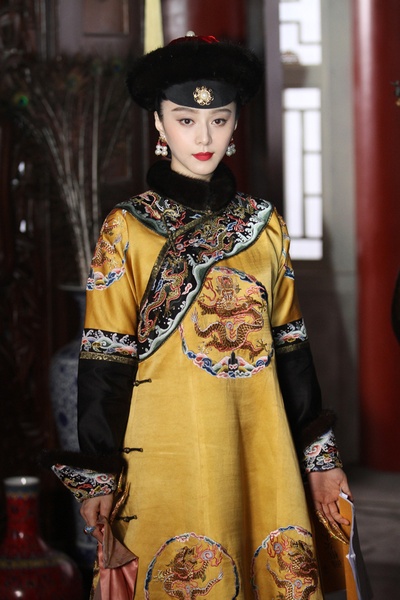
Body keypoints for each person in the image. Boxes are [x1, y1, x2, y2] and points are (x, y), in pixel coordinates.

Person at [49, 33, 352, 599]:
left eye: (219, 119)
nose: (204, 137)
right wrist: (97, 474)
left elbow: (292, 350)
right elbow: (104, 360)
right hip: (163, 456)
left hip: (260, 449)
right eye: (186, 120)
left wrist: (320, 459)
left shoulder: (265, 224)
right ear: (160, 125)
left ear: (235, 125)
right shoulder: (127, 228)